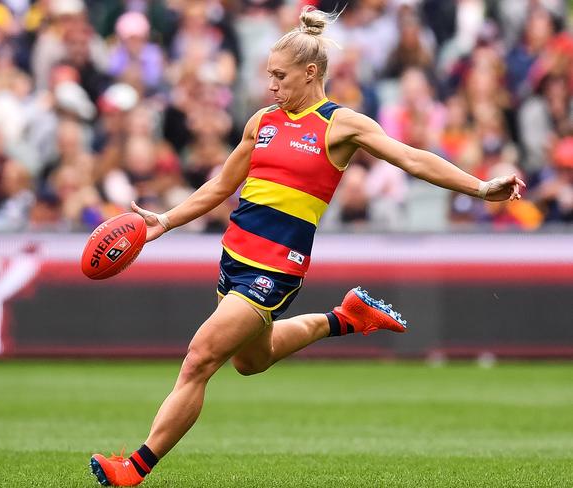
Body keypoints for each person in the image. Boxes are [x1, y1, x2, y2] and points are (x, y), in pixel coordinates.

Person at [90, 7, 525, 486]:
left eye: (280, 76)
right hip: (234, 258)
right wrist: (165, 221)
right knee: (252, 360)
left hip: (275, 267)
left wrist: (482, 188)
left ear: (310, 73)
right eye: (269, 75)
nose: (271, 85)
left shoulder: (341, 125)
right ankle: (346, 317)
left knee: (199, 359)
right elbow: (220, 187)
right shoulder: (263, 121)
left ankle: (134, 467)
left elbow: (412, 159)